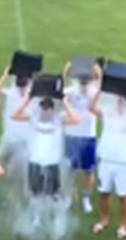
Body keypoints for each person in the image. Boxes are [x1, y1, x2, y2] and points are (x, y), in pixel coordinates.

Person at [12, 94, 80, 227]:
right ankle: (36, 217)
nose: (45, 111)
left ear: (53, 110)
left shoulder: (59, 119)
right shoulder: (33, 118)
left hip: (52, 162)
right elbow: (15, 115)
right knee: (35, 192)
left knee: (54, 193)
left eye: (48, 109)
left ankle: (56, 217)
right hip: (35, 160)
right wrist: (28, 98)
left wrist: (65, 102)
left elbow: (76, 120)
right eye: (43, 108)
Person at [89, 84, 126, 239]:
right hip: (106, 158)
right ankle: (104, 220)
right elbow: (91, 107)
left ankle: (122, 225)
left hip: (123, 161)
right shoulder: (109, 110)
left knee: (123, 196)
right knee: (103, 192)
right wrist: (100, 90)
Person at [62, 61, 101, 214]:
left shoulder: (95, 92)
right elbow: (60, 88)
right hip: (71, 135)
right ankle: (68, 197)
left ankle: (86, 198)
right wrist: (68, 69)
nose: (84, 81)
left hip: (88, 136)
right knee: (69, 170)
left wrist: (98, 72)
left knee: (88, 171)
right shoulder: (70, 91)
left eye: (87, 78)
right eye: (82, 78)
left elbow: (102, 85)